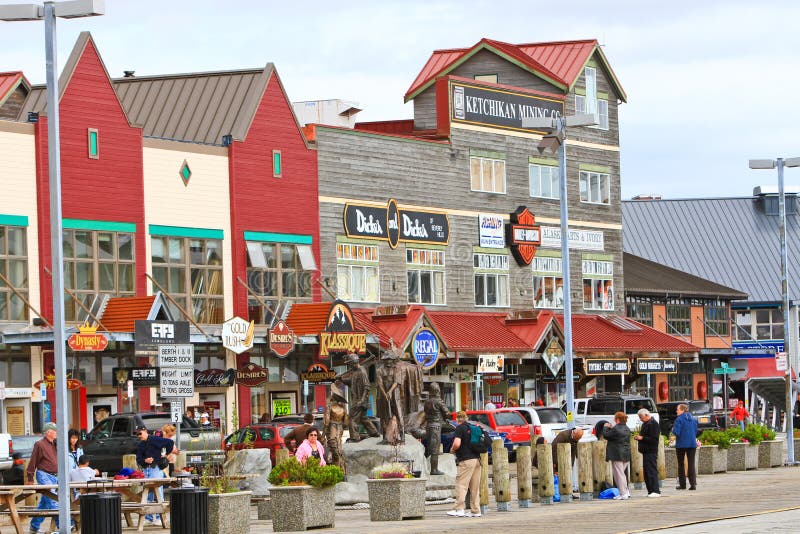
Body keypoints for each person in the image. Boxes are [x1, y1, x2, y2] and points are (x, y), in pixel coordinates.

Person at [136, 425, 176, 525]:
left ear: (145, 431)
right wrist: (145, 460)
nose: (139, 436)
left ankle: (159, 518)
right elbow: (138, 459)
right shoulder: (140, 445)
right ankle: (149, 518)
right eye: (137, 434)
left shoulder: (155, 439)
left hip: (156, 468)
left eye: (140, 433)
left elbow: (170, 442)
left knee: (158, 492)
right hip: (146, 470)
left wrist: (166, 455)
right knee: (148, 493)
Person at [27, 422, 60, 533]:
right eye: (54, 431)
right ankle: (65, 525)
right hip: (43, 474)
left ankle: (34, 527)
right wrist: (30, 478)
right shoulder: (39, 444)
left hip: (55, 476)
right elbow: (33, 461)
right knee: (53, 500)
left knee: (45, 503)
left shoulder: (55, 444)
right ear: (48, 432)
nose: (56, 433)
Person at [339, 353, 379, 442]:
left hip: (359, 400)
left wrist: (362, 400)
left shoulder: (362, 371)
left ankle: (355, 437)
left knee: (351, 418)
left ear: (353, 363)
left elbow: (367, 387)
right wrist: (342, 380)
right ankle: (374, 432)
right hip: (357, 399)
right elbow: (351, 382)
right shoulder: (355, 372)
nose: (349, 366)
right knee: (363, 418)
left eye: (349, 364)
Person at [448, 411, 481, 518]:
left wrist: (452, 449)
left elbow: (457, 444)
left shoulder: (460, 428)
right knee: (475, 487)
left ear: (457, 419)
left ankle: (459, 509)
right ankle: (476, 511)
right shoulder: (472, 427)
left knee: (461, 484)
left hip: (466, 460)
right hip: (477, 460)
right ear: (466, 418)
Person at [603, 412, 631, 500]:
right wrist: (612, 428)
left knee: (619, 475)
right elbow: (616, 434)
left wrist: (606, 427)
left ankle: (623, 493)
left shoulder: (616, 429)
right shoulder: (627, 428)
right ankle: (626, 492)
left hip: (617, 454)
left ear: (617, 419)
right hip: (626, 454)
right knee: (622, 474)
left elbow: (606, 435)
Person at [423, 383, 450, 475]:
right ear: (437, 390)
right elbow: (447, 413)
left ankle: (430, 467)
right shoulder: (439, 401)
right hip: (436, 426)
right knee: (435, 449)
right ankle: (434, 469)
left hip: (428, 425)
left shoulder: (426, 402)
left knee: (430, 447)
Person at [635, 408, 661, 497]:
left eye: (641, 417)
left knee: (651, 471)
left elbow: (654, 439)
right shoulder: (645, 424)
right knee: (646, 472)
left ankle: (655, 491)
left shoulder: (653, 424)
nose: (641, 419)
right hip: (645, 451)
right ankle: (650, 491)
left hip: (651, 451)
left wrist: (642, 438)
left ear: (646, 415)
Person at [673, 403, 698, 490]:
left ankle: (682, 484)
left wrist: (673, 430)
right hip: (692, 444)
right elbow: (695, 431)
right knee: (691, 464)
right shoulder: (693, 419)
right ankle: (693, 484)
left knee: (681, 464)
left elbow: (676, 432)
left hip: (681, 444)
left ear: (682, 410)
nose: (676, 411)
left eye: (678, 409)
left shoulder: (679, 419)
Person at [323, 392, 348, 469]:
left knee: (334, 450)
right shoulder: (343, 408)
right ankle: (342, 471)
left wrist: (323, 435)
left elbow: (326, 422)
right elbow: (346, 422)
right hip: (340, 430)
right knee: (338, 450)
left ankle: (337, 470)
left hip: (331, 429)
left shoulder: (329, 407)